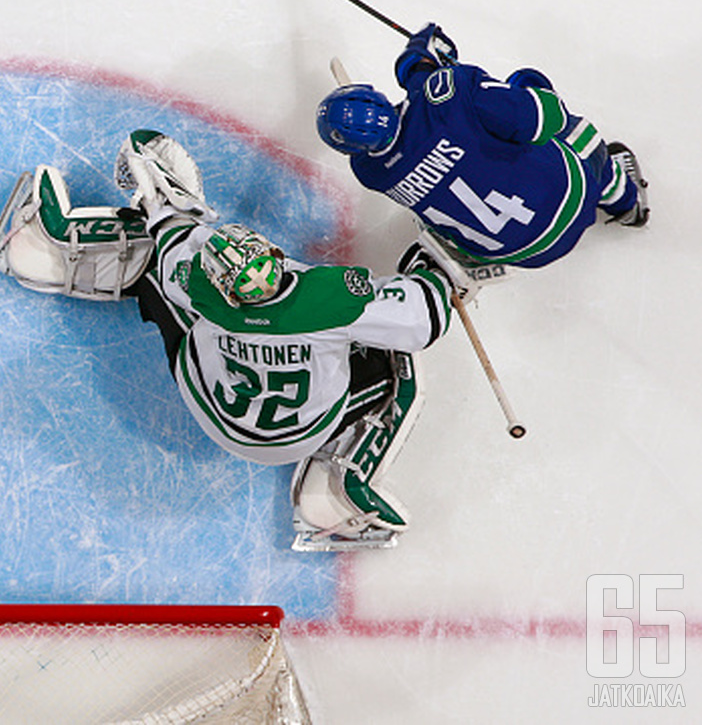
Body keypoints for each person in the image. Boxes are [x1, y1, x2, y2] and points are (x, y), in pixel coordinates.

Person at [114, 129, 455, 550]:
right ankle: (337, 491)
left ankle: (61, 252)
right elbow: (427, 318)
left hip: (220, 417)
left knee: (153, 270)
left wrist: (168, 204)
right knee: (398, 365)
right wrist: (438, 269)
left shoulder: (198, 284)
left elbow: (171, 237)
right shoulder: (330, 297)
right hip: (306, 431)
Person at [315, 24, 649, 270]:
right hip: (566, 201)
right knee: (578, 132)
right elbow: (548, 115)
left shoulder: (370, 172)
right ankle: (627, 201)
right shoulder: (451, 94)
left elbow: (424, 121)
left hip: (516, 254)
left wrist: (420, 71)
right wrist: (427, 63)